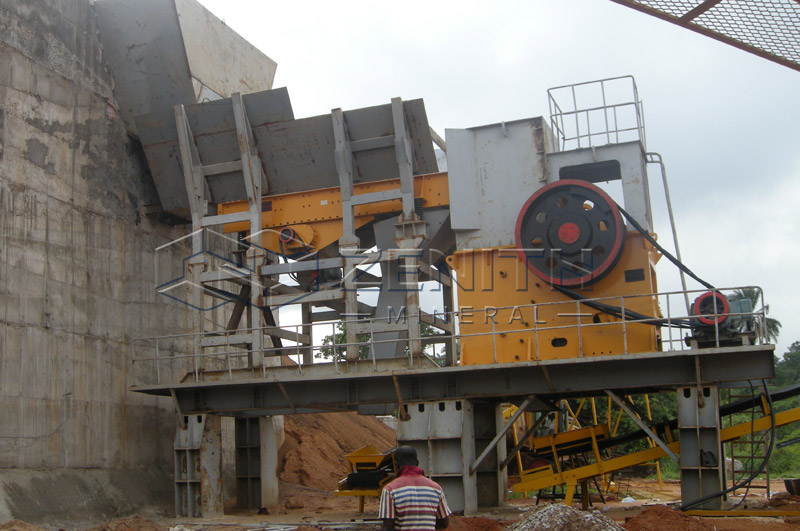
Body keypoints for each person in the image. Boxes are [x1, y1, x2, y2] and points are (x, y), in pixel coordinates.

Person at [379, 445, 451, 531]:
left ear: (396, 465)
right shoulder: (436, 488)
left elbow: (388, 526)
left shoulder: (390, 489)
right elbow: (444, 523)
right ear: (417, 463)